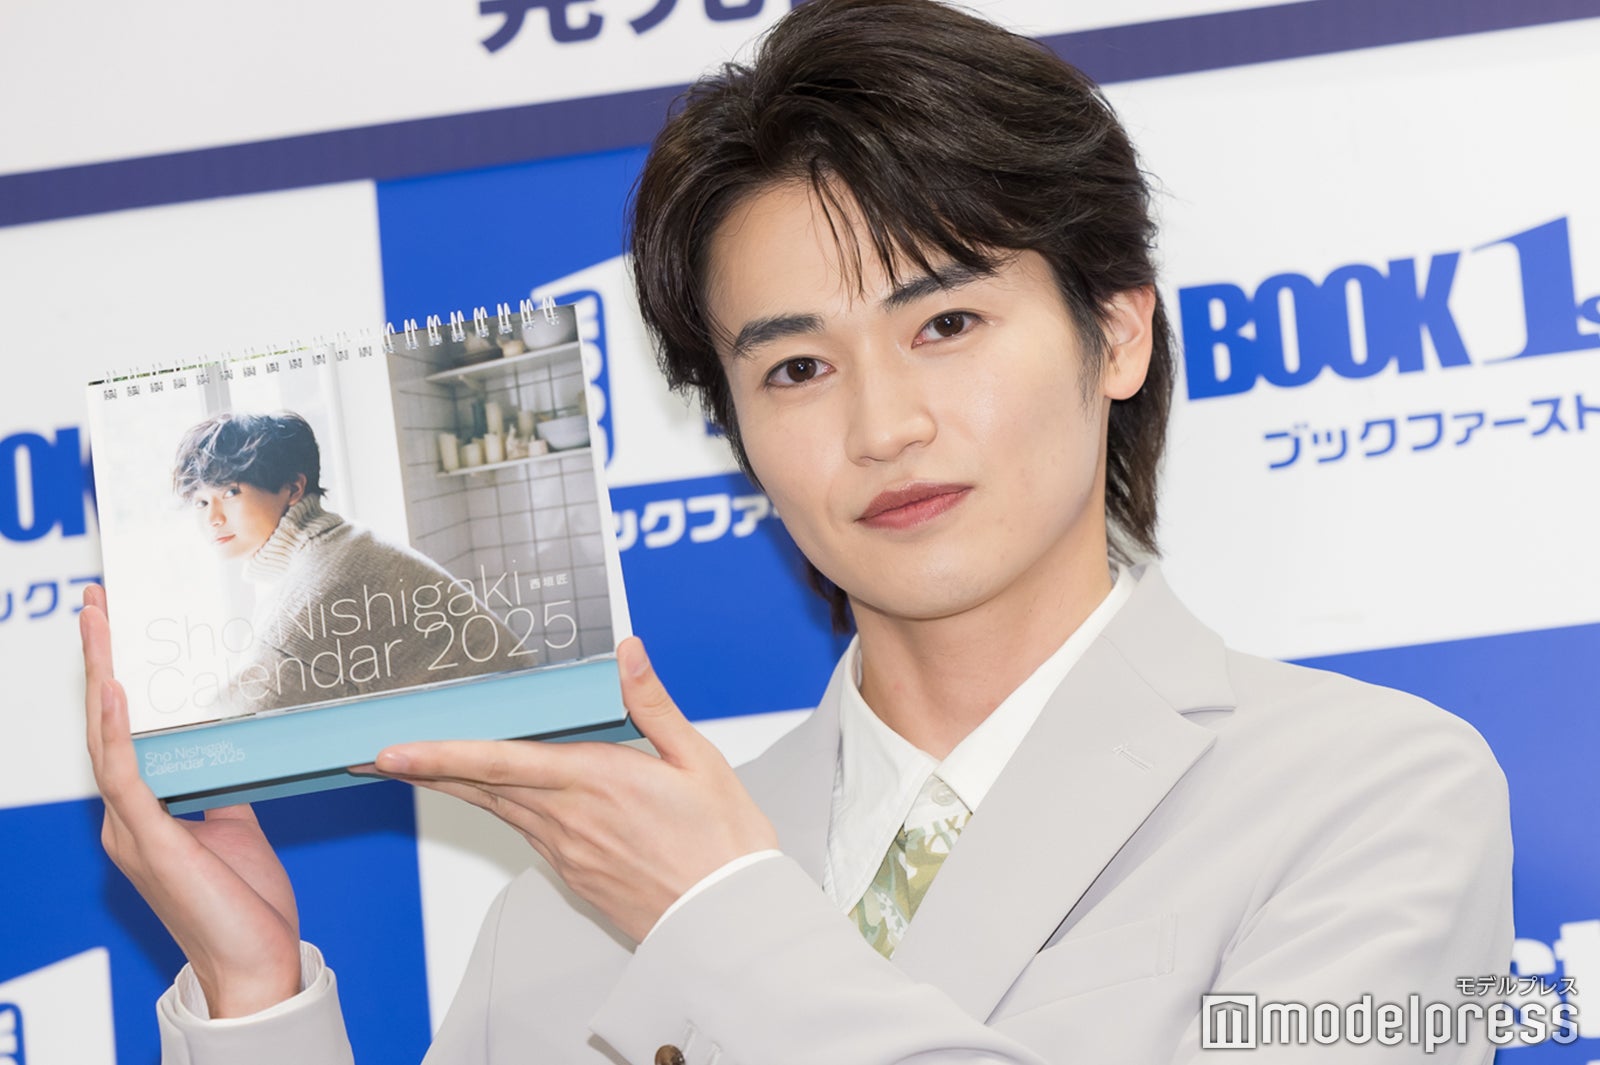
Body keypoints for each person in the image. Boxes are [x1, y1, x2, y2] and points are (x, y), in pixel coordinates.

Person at [80, 0, 1513, 1061]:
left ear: (1118, 331)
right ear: (734, 425)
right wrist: (256, 998)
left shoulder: (1374, 798)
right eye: (797, 367)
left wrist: (717, 917)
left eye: (946, 324)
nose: (882, 425)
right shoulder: (578, 894)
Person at [170, 410, 519, 713]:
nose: (213, 518)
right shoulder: (344, 543)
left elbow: (237, 726)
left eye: (231, 492)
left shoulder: (318, 590)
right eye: (201, 502)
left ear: (293, 488)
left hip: (509, 744)